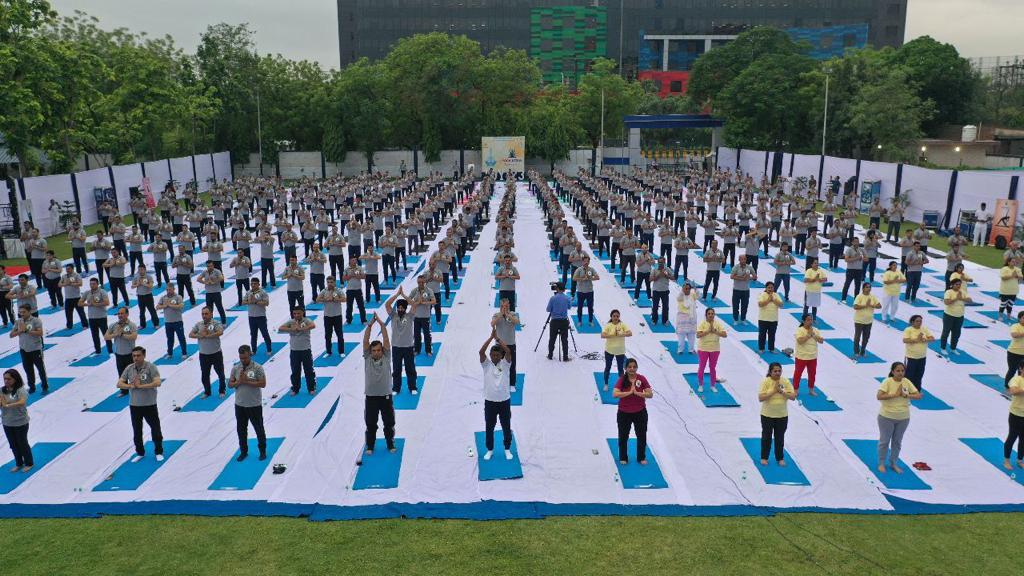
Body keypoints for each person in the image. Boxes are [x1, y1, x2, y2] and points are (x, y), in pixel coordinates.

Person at [116, 346, 163, 463]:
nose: (135, 358)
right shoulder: (129, 368)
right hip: (135, 405)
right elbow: (119, 383)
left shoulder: (151, 367)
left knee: (155, 429)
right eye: (134, 356)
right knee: (137, 431)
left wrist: (141, 386)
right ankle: (140, 452)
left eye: (138, 355)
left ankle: (158, 451)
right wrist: (131, 386)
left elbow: (157, 382)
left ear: (144, 356)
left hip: (149, 404)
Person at [876, 361, 922, 474]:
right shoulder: (887, 382)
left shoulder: (907, 382)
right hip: (886, 416)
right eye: (898, 371)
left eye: (902, 371)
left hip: (903, 417)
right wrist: (895, 395)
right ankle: (881, 463)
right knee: (884, 441)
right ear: (892, 371)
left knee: (897, 442)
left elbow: (918, 395)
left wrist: (907, 395)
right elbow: (879, 396)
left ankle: (893, 463)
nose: (900, 373)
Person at [362, 314, 396, 454]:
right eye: (374, 350)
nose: (376, 352)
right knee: (371, 424)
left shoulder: (387, 356)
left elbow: (386, 339)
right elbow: (365, 340)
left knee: (388, 423)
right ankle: (370, 446)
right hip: (371, 397)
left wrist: (382, 325)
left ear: (382, 350)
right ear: (370, 351)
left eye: (378, 350)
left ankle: (390, 444)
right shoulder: (367, 357)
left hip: (385, 397)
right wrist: (370, 326)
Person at [479, 328, 513, 461]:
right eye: (492, 355)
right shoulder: (486, 365)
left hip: (504, 401)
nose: (494, 357)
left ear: (501, 356)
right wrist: (490, 338)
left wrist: (498, 339)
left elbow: (509, 351)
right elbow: (481, 352)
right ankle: (490, 449)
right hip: (490, 401)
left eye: (497, 355)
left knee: (506, 426)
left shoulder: (505, 364)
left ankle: (507, 448)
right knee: (489, 426)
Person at [228, 345, 268, 462]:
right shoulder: (236, 368)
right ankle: (243, 451)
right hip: (240, 404)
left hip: (254, 404)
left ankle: (262, 451)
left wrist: (247, 381)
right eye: (241, 358)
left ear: (250, 354)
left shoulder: (257, 368)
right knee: (241, 429)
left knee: (258, 428)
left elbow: (263, 383)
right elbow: (230, 384)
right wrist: (239, 382)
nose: (243, 360)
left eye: (245, 358)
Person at [612, 358, 653, 465]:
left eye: (634, 367)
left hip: (640, 412)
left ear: (637, 368)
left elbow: (650, 394)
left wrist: (638, 393)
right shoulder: (622, 379)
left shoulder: (641, 378)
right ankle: (623, 457)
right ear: (625, 368)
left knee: (641, 435)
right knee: (623, 436)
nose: (632, 369)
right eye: (629, 367)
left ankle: (641, 457)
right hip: (624, 412)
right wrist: (629, 392)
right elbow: (615, 394)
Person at [758, 362, 797, 466]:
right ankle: (764, 457)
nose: (777, 373)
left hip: (782, 415)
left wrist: (781, 392)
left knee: (780, 438)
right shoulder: (766, 382)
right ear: (770, 372)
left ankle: (780, 458)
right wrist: (773, 391)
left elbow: (793, 397)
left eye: (779, 371)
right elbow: (761, 398)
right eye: (775, 371)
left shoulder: (785, 381)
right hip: (767, 415)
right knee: (766, 437)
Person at [385, 289, 418, 395]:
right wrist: (397, 295)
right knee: (396, 369)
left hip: (408, 347)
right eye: (398, 308)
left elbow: (414, 305)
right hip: (396, 347)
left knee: (410, 368)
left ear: (405, 308)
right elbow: (387, 304)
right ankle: (396, 388)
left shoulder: (410, 316)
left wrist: (404, 295)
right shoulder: (393, 316)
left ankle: (412, 387)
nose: (400, 309)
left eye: (402, 308)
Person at [190, 307, 226, 398]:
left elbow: (220, 332)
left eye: (206, 314)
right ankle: (207, 392)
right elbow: (190, 334)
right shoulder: (199, 324)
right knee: (205, 375)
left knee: (220, 373)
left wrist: (209, 335)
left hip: (216, 353)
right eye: (203, 314)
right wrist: (200, 335)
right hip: (203, 354)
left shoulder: (216, 323)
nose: (204, 316)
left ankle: (222, 390)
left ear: (211, 314)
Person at [279, 307, 317, 395]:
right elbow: (280, 328)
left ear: (302, 313)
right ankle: (295, 389)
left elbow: (313, 326)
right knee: (295, 371)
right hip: (294, 351)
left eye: (298, 313)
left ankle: (311, 388)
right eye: (295, 313)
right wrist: (291, 329)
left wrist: (301, 329)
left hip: (305, 350)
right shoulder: (291, 322)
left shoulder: (306, 321)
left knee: (309, 370)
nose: (296, 315)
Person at [10, 305, 47, 394]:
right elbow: (11, 335)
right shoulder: (18, 321)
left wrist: (27, 331)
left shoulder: (35, 320)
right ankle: (32, 386)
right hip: (24, 349)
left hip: (35, 349)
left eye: (24, 312)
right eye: (20, 312)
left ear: (29, 311)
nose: (21, 314)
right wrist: (20, 331)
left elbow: (40, 333)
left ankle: (44, 385)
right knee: (28, 369)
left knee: (40, 369)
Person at [1, 369, 32, 472]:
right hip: (7, 422)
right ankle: (19, 463)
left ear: (15, 379)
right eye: (4, 379)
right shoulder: (2, 390)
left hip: (20, 422)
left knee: (22, 443)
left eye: (9, 379)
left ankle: (29, 463)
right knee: (13, 444)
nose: (6, 381)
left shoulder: (21, 390)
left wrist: (7, 405)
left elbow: (22, 402)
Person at [106, 307, 139, 395]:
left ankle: (136, 388)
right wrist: (115, 334)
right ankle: (124, 390)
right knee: (121, 374)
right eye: (119, 313)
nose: (120, 315)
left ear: (127, 314)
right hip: (119, 354)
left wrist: (122, 335)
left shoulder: (131, 325)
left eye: (122, 313)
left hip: (129, 354)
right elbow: (106, 337)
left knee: (132, 373)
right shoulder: (113, 325)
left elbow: (134, 336)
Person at [491, 298, 520, 391]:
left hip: (510, 344)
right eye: (502, 306)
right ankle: (498, 382)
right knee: (498, 364)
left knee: (512, 364)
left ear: (509, 306)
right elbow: (492, 324)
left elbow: (517, 322)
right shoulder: (496, 315)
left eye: (506, 306)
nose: (504, 308)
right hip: (499, 345)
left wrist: (507, 314)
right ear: (500, 307)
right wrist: (501, 315)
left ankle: (512, 384)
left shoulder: (513, 314)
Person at [696, 308, 727, 393]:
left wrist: (715, 331)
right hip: (703, 348)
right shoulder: (702, 323)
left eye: (712, 313)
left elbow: (725, 335)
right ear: (706, 315)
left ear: (714, 315)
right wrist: (708, 331)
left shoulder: (718, 324)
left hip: (715, 349)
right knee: (702, 367)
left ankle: (713, 385)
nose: (711, 315)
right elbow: (698, 335)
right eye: (709, 313)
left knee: (712, 368)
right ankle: (700, 385)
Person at [600, 310, 632, 391]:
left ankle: (621, 385)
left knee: (620, 369)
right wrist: (611, 335)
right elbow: (602, 335)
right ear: (611, 317)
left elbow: (630, 333)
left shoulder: (623, 325)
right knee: (608, 367)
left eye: (617, 316)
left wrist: (622, 334)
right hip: (609, 350)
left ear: (619, 317)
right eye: (614, 316)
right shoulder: (608, 325)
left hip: (620, 351)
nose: (616, 318)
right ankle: (606, 384)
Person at [793, 313, 824, 396]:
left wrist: (813, 334)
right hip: (801, 357)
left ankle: (811, 389)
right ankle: (795, 390)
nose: (810, 322)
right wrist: (808, 335)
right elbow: (800, 341)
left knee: (812, 374)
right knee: (798, 374)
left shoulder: (815, 330)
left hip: (812, 357)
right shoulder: (799, 330)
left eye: (811, 320)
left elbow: (821, 341)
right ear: (803, 321)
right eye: (808, 320)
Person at [156, 283, 188, 359]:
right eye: (167, 290)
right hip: (168, 322)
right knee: (170, 339)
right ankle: (169, 353)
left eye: (169, 289)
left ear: (173, 289)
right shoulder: (163, 298)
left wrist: (170, 305)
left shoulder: (178, 297)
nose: (168, 291)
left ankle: (184, 353)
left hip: (177, 321)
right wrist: (165, 305)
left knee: (181, 338)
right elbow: (157, 307)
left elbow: (181, 306)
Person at [903, 315, 934, 390]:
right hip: (911, 357)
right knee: (909, 375)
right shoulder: (908, 330)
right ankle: (906, 390)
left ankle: (916, 389)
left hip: (922, 357)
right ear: (912, 322)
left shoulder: (924, 329)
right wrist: (916, 340)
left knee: (919, 374)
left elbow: (932, 338)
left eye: (920, 321)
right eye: (917, 321)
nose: (919, 323)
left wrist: (925, 340)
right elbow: (905, 340)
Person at [939, 277, 970, 356]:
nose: (958, 286)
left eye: (960, 284)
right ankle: (943, 348)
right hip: (949, 315)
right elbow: (946, 302)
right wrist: (956, 298)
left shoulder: (962, 292)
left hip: (959, 316)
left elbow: (970, 300)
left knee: (956, 333)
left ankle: (953, 348)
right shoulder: (949, 292)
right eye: (957, 284)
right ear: (952, 285)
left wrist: (962, 298)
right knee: (946, 332)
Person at [318, 276, 346, 357]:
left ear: (334, 282)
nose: (330, 284)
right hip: (327, 316)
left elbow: (344, 299)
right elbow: (317, 299)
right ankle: (328, 351)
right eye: (328, 282)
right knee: (328, 335)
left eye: (331, 282)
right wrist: (326, 299)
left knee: (339, 334)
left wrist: (336, 299)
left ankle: (341, 351)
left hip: (337, 316)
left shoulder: (339, 290)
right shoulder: (324, 291)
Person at [408, 274, 435, 356]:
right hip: (416, 317)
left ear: (425, 282)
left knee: (427, 335)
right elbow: (408, 301)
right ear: (417, 282)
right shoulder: (414, 291)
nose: (420, 284)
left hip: (425, 316)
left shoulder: (429, 290)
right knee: (416, 334)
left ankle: (428, 350)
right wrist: (417, 303)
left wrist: (424, 302)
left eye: (422, 282)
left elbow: (434, 301)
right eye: (419, 282)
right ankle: (417, 350)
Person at [852, 283, 881, 360]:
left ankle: (863, 351)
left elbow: (879, 306)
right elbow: (855, 306)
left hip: (869, 321)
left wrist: (872, 305)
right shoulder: (859, 296)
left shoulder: (873, 297)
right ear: (863, 288)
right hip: (859, 320)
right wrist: (865, 305)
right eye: (867, 287)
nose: (869, 288)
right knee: (857, 337)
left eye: (869, 287)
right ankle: (856, 352)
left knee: (866, 337)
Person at [1005, 364, 1024, 470]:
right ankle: (1006, 460)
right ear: (1021, 368)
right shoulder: (1016, 379)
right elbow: (1013, 391)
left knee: (1023, 439)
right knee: (1012, 437)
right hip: (1016, 414)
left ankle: (1020, 460)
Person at [546, 282, 571, 361]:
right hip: (564, 321)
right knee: (564, 339)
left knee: (552, 339)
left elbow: (548, 309)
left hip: (554, 321)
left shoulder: (553, 298)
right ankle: (565, 357)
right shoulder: (567, 298)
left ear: (557, 288)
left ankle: (550, 355)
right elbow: (569, 307)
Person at [757, 282, 782, 354]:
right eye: (769, 287)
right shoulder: (762, 295)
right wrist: (768, 300)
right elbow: (760, 304)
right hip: (763, 319)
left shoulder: (776, 295)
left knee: (772, 335)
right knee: (762, 334)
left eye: (772, 288)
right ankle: (761, 348)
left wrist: (773, 299)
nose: (770, 289)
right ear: (766, 288)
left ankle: (771, 348)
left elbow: (781, 305)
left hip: (773, 319)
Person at [573, 255, 599, 326]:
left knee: (590, 307)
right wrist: (582, 279)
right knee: (580, 307)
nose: (586, 262)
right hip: (581, 291)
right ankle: (579, 321)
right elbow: (574, 278)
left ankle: (590, 321)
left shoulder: (591, 269)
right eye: (585, 261)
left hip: (589, 291)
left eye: (588, 261)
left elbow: (597, 277)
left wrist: (590, 278)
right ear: (582, 261)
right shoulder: (579, 269)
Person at [675, 281, 699, 355]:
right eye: (685, 288)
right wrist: (683, 289)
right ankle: (680, 350)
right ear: (683, 289)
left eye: (688, 288)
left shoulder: (692, 295)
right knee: (681, 336)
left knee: (692, 335)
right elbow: (679, 297)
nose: (687, 290)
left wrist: (695, 288)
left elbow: (698, 295)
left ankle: (691, 350)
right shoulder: (680, 296)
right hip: (682, 318)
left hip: (692, 318)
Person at [998, 257, 1023, 323]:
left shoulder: (1017, 269)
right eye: (1012, 261)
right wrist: (1011, 275)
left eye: (1015, 262)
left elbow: (1021, 277)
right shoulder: (1004, 269)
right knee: (1003, 304)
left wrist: (1017, 276)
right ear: (1008, 262)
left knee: (1010, 305)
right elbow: (1003, 278)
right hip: (1005, 290)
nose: (1014, 263)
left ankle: (1009, 316)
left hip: (1014, 290)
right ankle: (1000, 316)